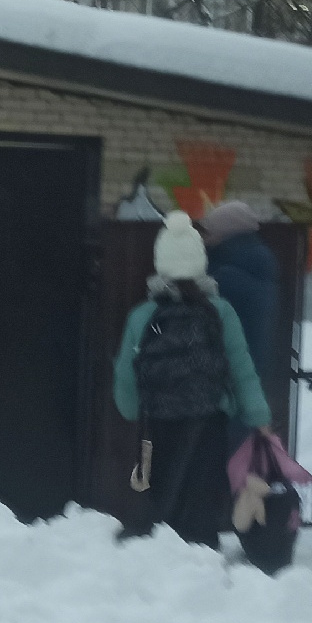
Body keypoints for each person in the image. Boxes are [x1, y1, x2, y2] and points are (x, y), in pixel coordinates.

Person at [112, 210, 270, 549]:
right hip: (209, 421)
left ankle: (161, 553)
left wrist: (131, 409)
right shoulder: (221, 312)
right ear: (200, 264)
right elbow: (241, 369)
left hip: (159, 422)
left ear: (161, 265)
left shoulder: (143, 315)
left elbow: (126, 372)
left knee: (162, 490)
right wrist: (259, 415)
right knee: (201, 499)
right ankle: (201, 555)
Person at [199, 200, 277, 457]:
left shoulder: (226, 275)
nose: (205, 237)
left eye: (210, 231)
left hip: (228, 375)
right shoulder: (256, 264)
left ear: (227, 234)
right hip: (247, 371)